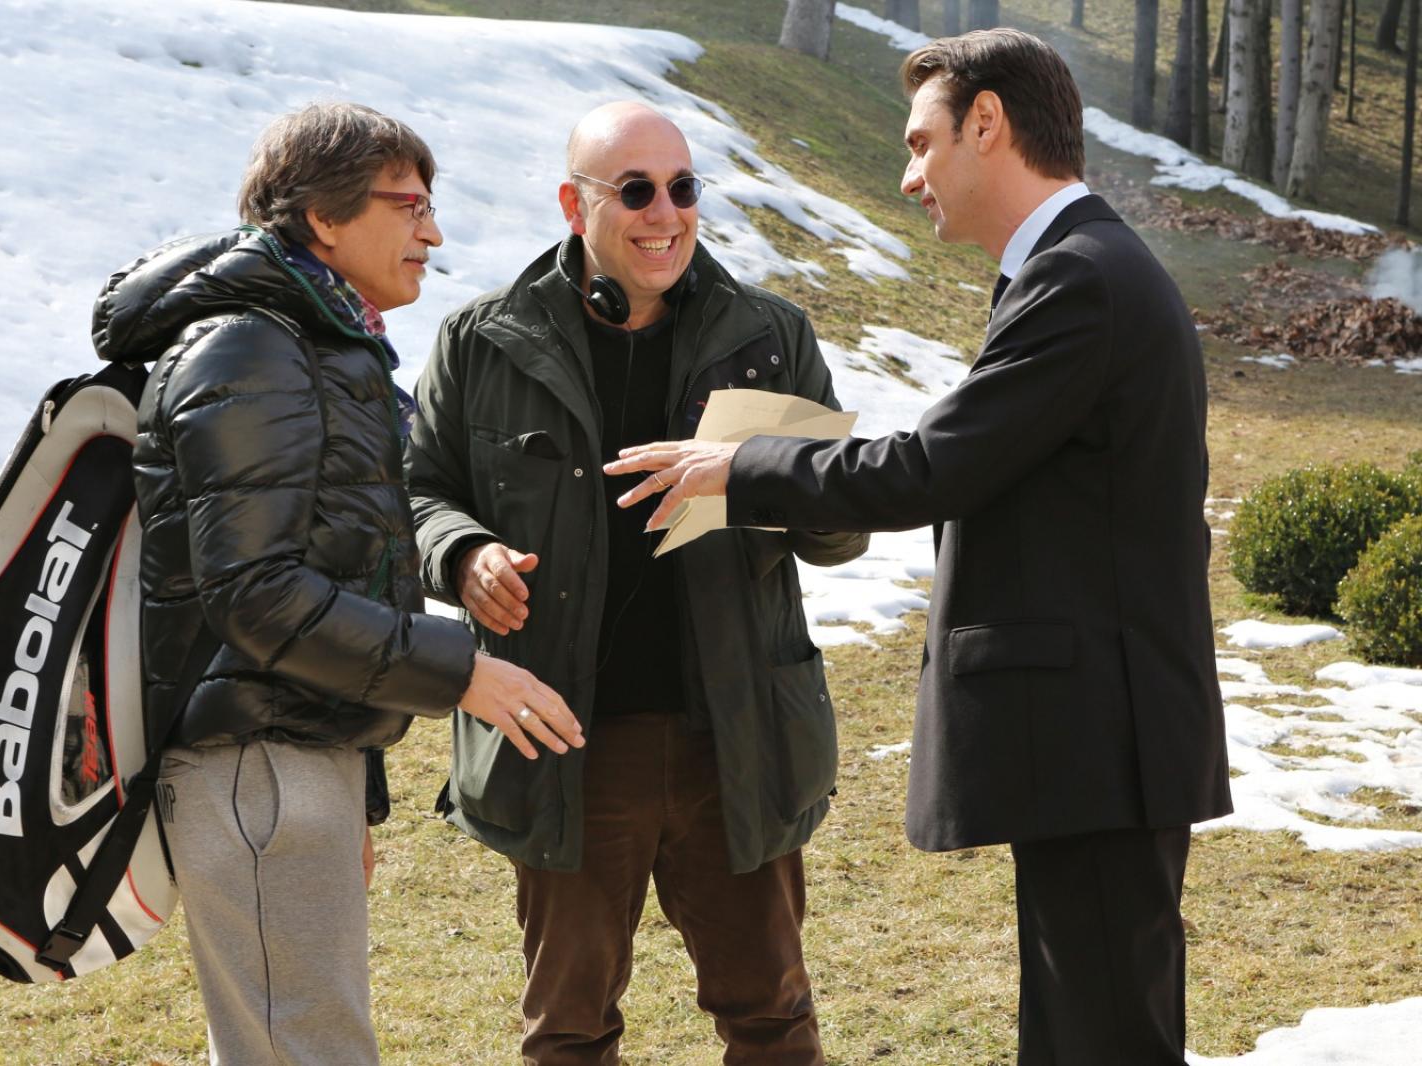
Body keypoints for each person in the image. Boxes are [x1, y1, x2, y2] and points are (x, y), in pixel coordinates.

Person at [605, 31, 1231, 1066]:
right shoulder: (1082, 268)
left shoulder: (1082, 278)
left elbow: (934, 466)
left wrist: (739, 467)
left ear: (986, 123)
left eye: (918, 143)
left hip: (1100, 740)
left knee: (1103, 1037)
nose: (907, 176)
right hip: (1098, 738)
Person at [92, 102, 583, 1066]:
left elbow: (338, 572)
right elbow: (256, 594)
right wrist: (463, 672)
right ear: (323, 217)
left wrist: (354, 782)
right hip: (258, 767)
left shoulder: (318, 347)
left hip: (295, 757)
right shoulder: (252, 349)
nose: (432, 233)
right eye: (409, 206)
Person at [405, 101, 867, 1065]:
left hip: (735, 738)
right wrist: (462, 553)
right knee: (569, 1031)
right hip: (566, 740)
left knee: (773, 1021)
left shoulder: (772, 335)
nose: (667, 214)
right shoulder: (480, 342)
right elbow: (415, 495)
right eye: (637, 190)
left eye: (684, 188)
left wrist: (771, 477)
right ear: (574, 204)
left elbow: (840, 532)